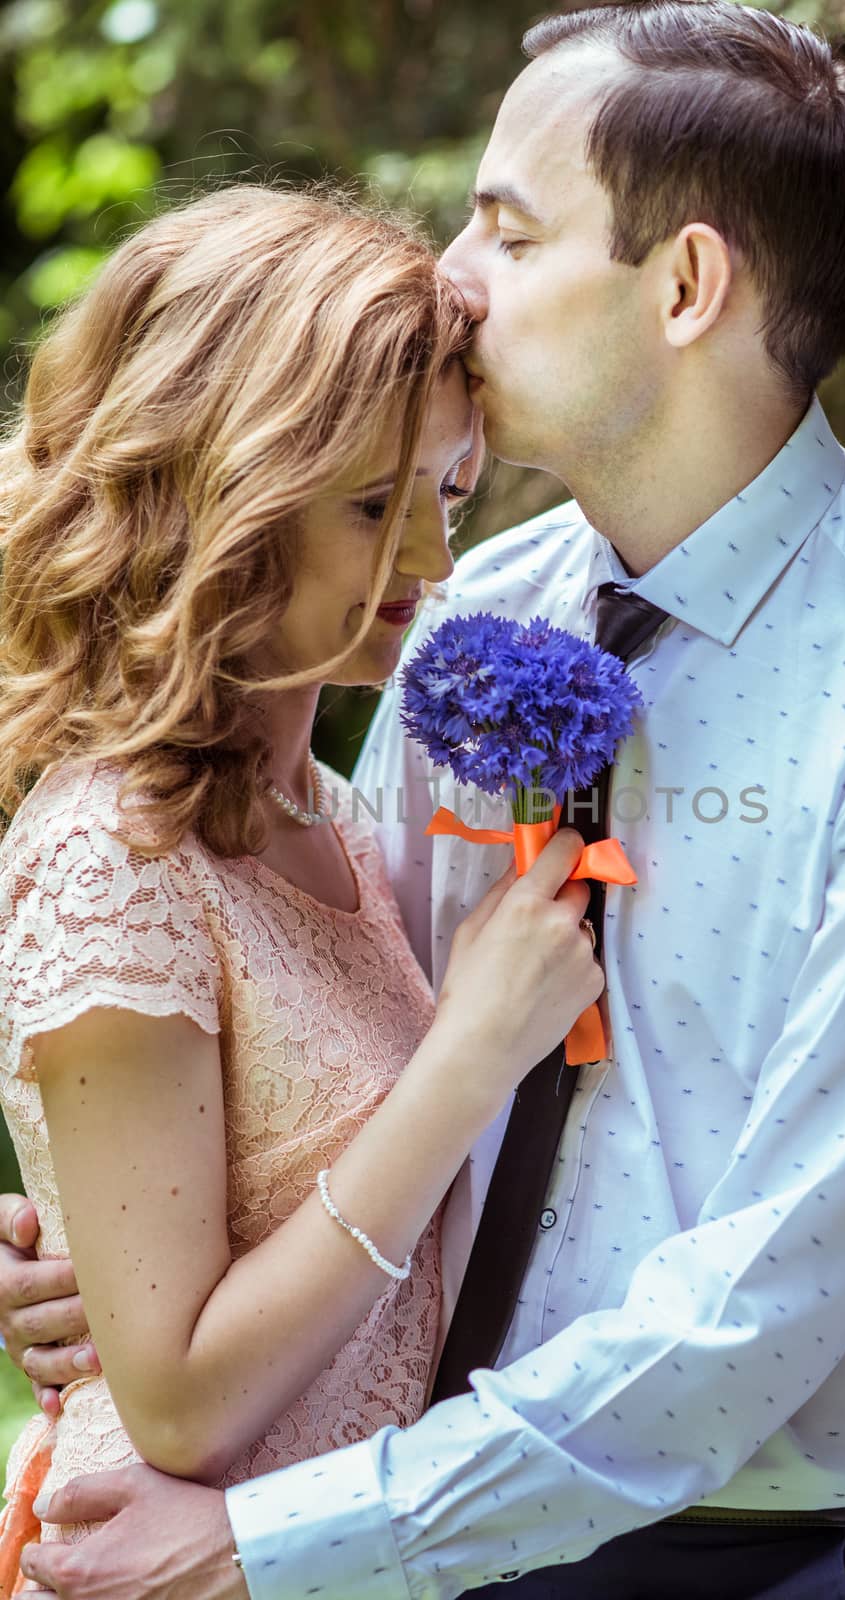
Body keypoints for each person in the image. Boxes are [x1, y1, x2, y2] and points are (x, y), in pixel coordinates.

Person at [4, 3, 845, 1597]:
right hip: (407, 1519)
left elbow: (777, 1288)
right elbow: (352, 1038)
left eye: (506, 227)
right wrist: (144, 1263)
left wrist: (279, 1540)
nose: (448, 271)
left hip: (737, 1557)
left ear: (687, 286)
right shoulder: (471, 611)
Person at [0, 182, 603, 1594]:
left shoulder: (327, 808)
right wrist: (469, 1056)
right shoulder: (112, 856)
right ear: (220, 488)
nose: (433, 567)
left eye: (448, 496)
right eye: (372, 505)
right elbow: (185, 1405)